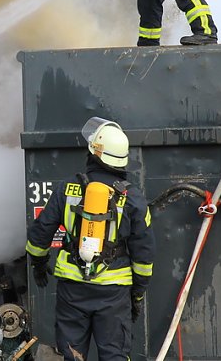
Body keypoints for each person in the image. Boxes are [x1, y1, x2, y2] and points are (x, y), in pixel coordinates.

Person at [26, 117, 155, 360]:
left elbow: (40, 233)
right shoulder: (133, 198)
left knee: (72, 355)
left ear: (93, 154)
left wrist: (39, 264)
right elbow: (144, 253)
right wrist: (137, 294)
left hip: (72, 289)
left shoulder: (67, 188)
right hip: (114, 293)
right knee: (114, 355)